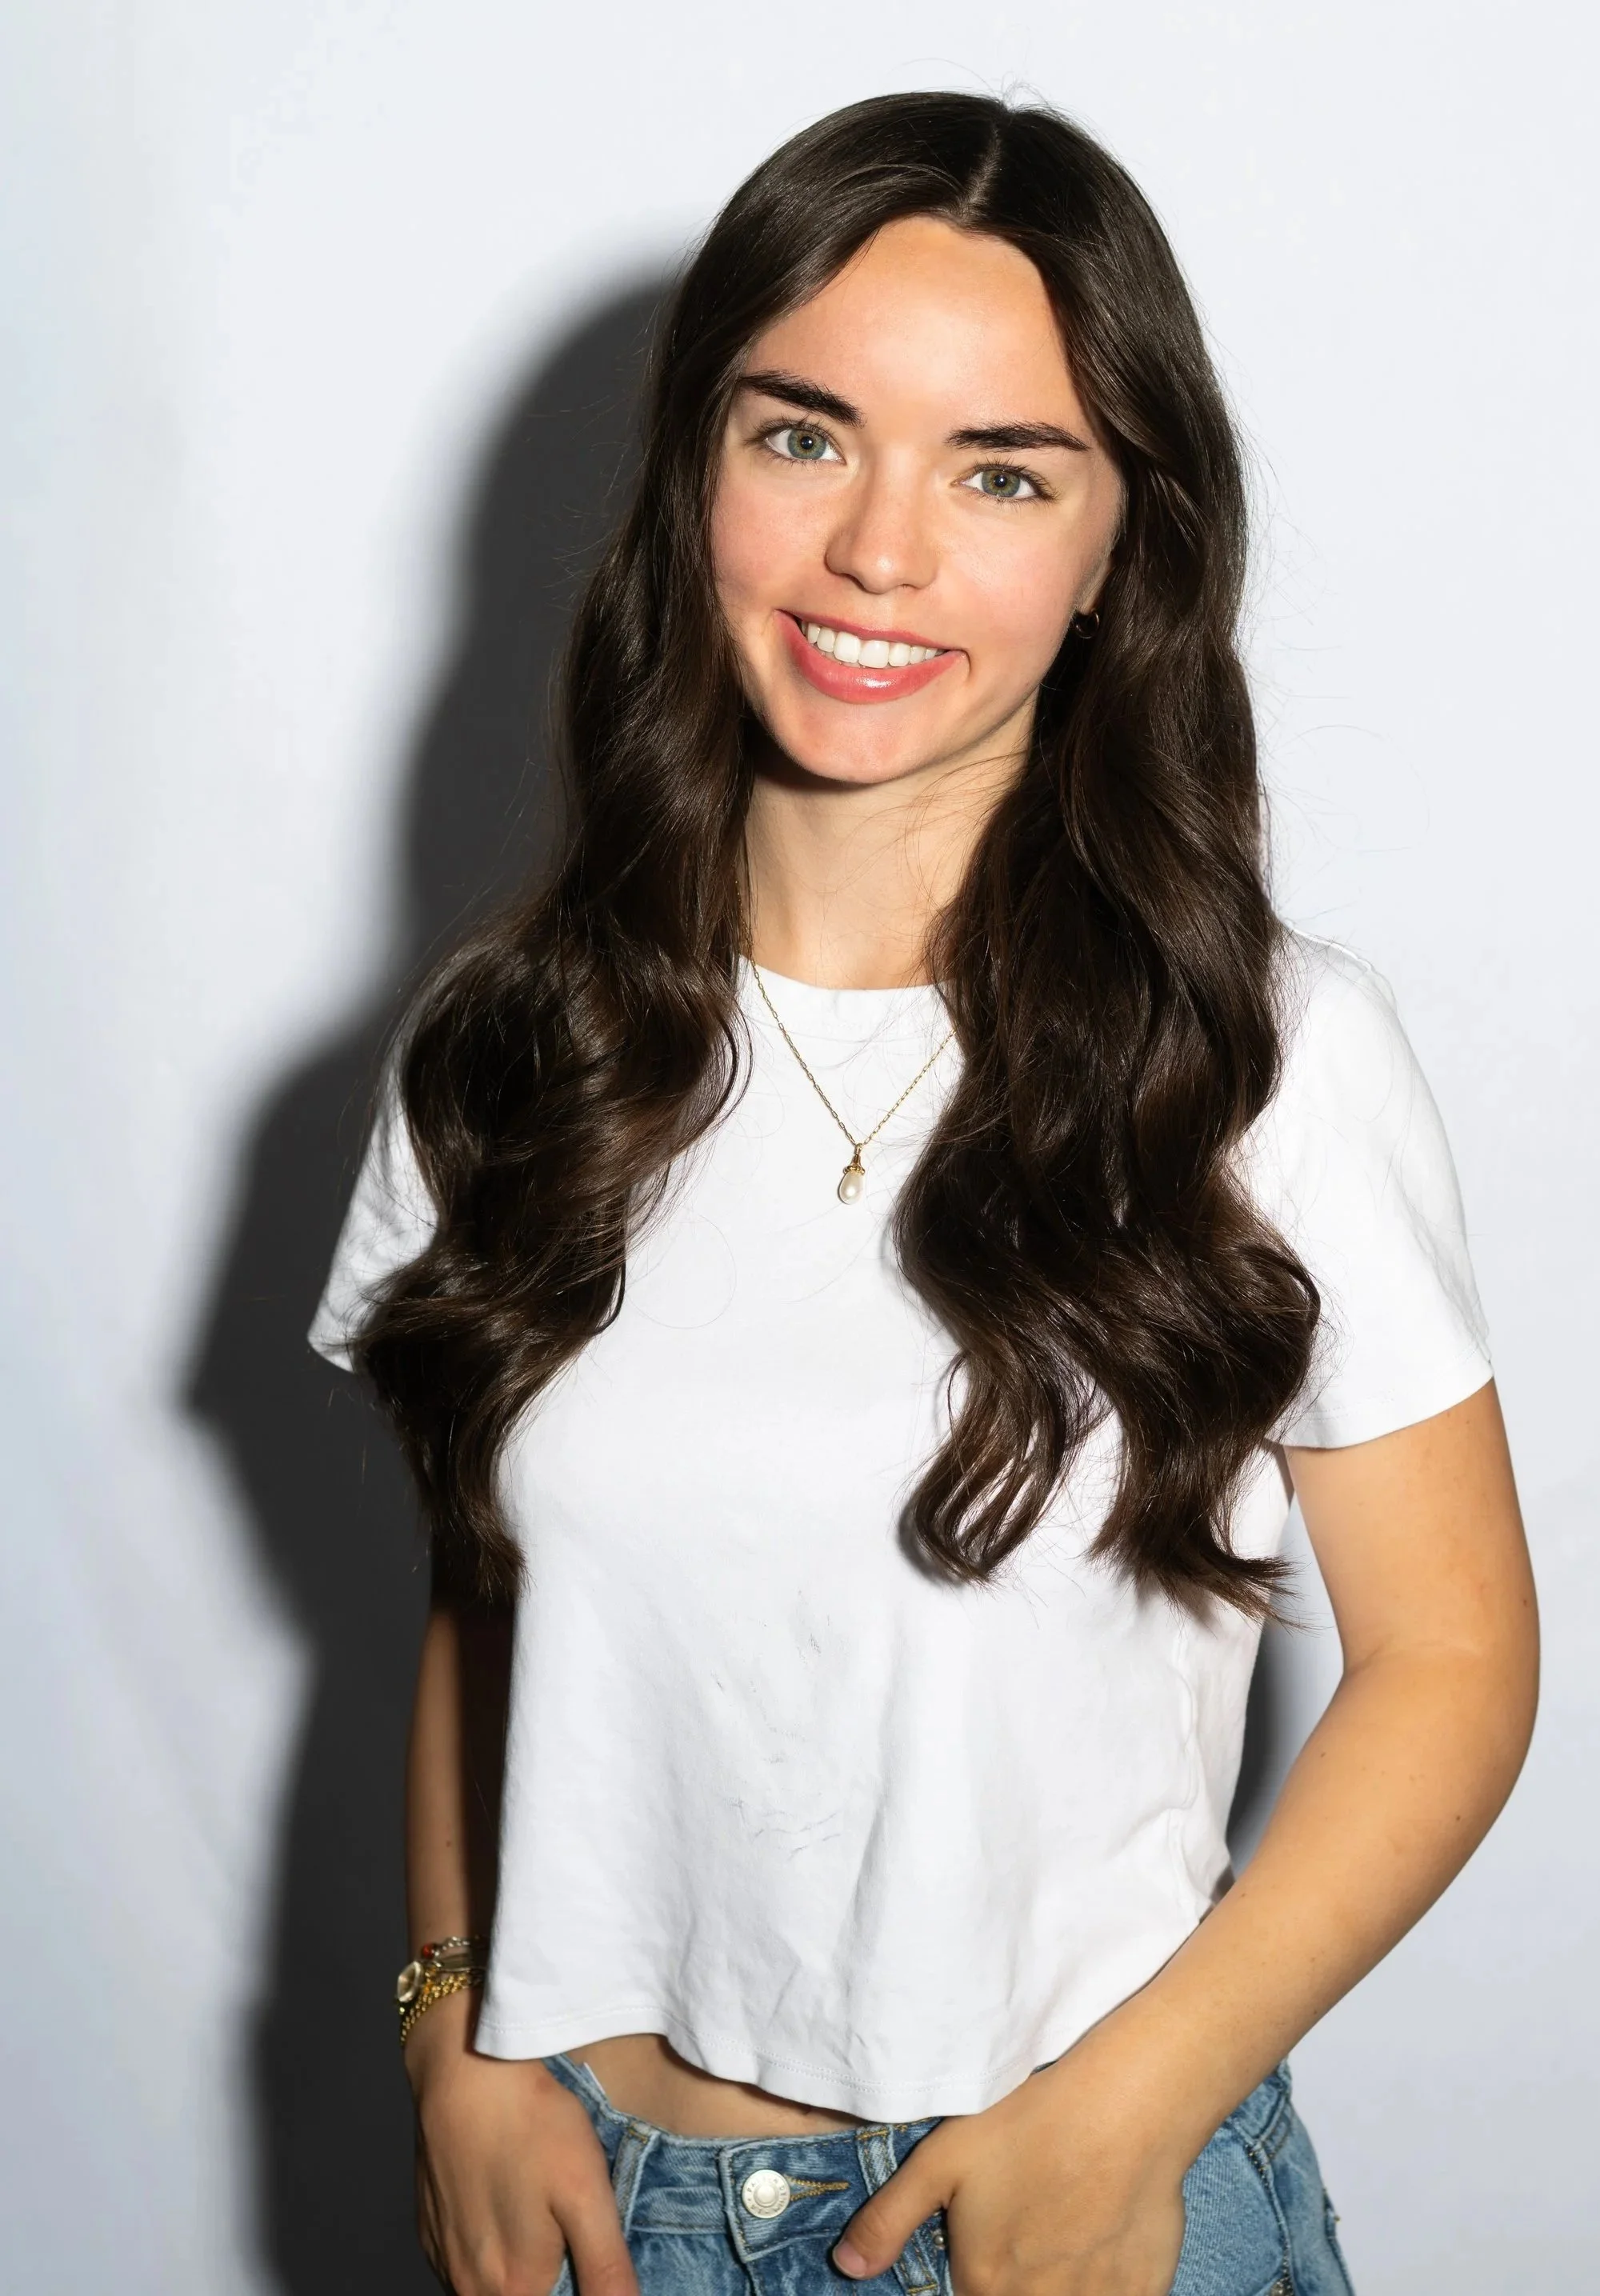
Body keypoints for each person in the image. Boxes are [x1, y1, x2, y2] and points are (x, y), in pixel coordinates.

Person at [309, 90, 1538, 2296]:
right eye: (804, 436)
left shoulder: (1262, 1058)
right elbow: (487, 1596)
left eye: (1000, 470)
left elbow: (1453, 1660)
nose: (882, 549)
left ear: (1114, 548)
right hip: (602, 2215)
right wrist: (453, 2037)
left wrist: (1138, 2107)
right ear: (696, 476)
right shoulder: (509, 1050)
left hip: (1064, 2198)